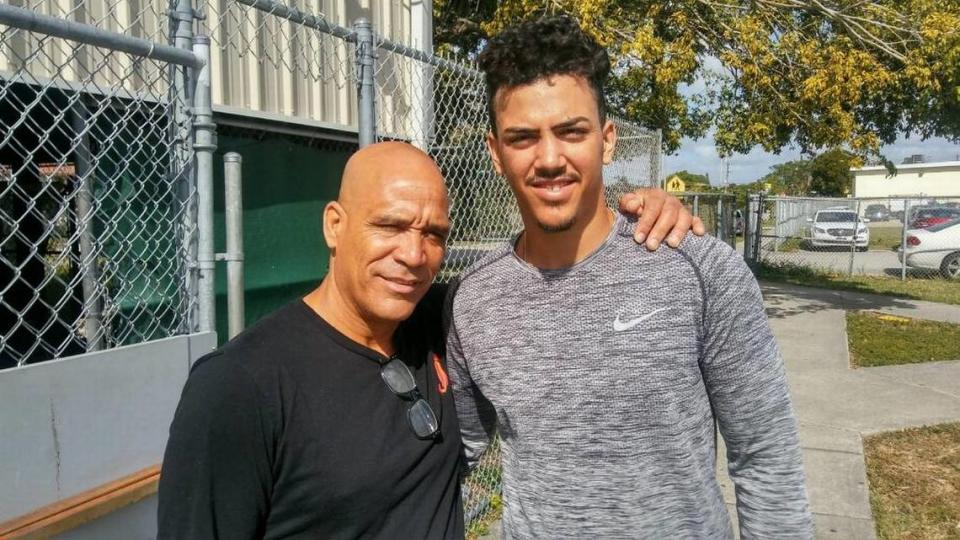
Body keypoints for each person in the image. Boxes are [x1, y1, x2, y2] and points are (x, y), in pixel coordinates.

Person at [157, 141, 700, 539]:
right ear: (334, 225)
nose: (414, 256)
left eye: (433, 234)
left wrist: (635, 222)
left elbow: (546, 284)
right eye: (390, 226)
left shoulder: (443, 319)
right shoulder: (239, 386)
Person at [445, 16, 813, 539]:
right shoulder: (472, 299)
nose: (549, 158)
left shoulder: (698, 267)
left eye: (571, 131)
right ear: (495, 153)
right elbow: (451, 455)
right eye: (522, 138)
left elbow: (765, 456)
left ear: (607, 139)